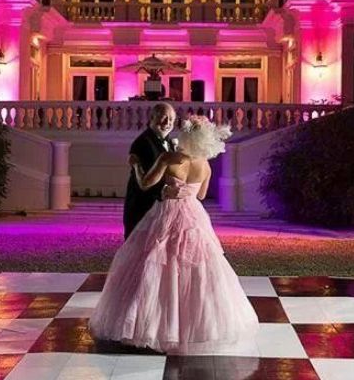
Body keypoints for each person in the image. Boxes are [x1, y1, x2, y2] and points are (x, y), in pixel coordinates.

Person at [89, 115, 260, 354]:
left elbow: (146, 184)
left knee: (157, 263)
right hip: (194, 215)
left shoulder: (169, 158)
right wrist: (184, 190)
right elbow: (200, 196)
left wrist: (136, 164)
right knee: (195, 267)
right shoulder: (205, 164)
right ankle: (192, 327)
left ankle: (154, 325)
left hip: (167, 213)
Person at [123, 103, 185, 239]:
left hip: (159, 207)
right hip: (142, 205)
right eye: (163, 117)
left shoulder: (169, 141)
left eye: (171, 119)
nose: (167, 123)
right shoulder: (143, 142)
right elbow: (145, 181)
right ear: (151, 118)